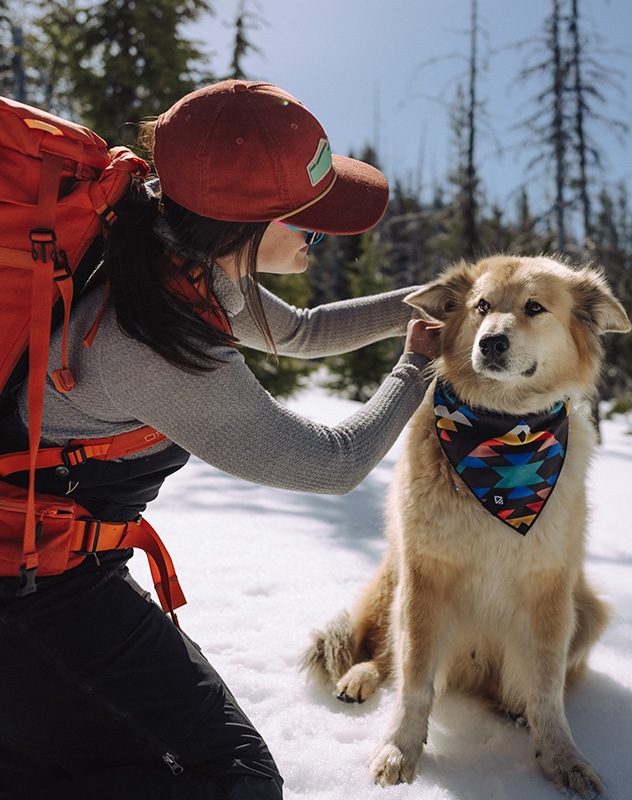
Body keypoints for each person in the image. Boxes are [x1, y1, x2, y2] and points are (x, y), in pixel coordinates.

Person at [0, 80, 440, 799]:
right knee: (228, 781)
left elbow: (301, 329)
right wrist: (416, 367)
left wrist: (426, 303)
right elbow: (332, 464)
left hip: (49, 565)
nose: (318, 243)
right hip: (29, 588)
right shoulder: (157, 340)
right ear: (247, 226)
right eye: (313, 225)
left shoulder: (164, 245)